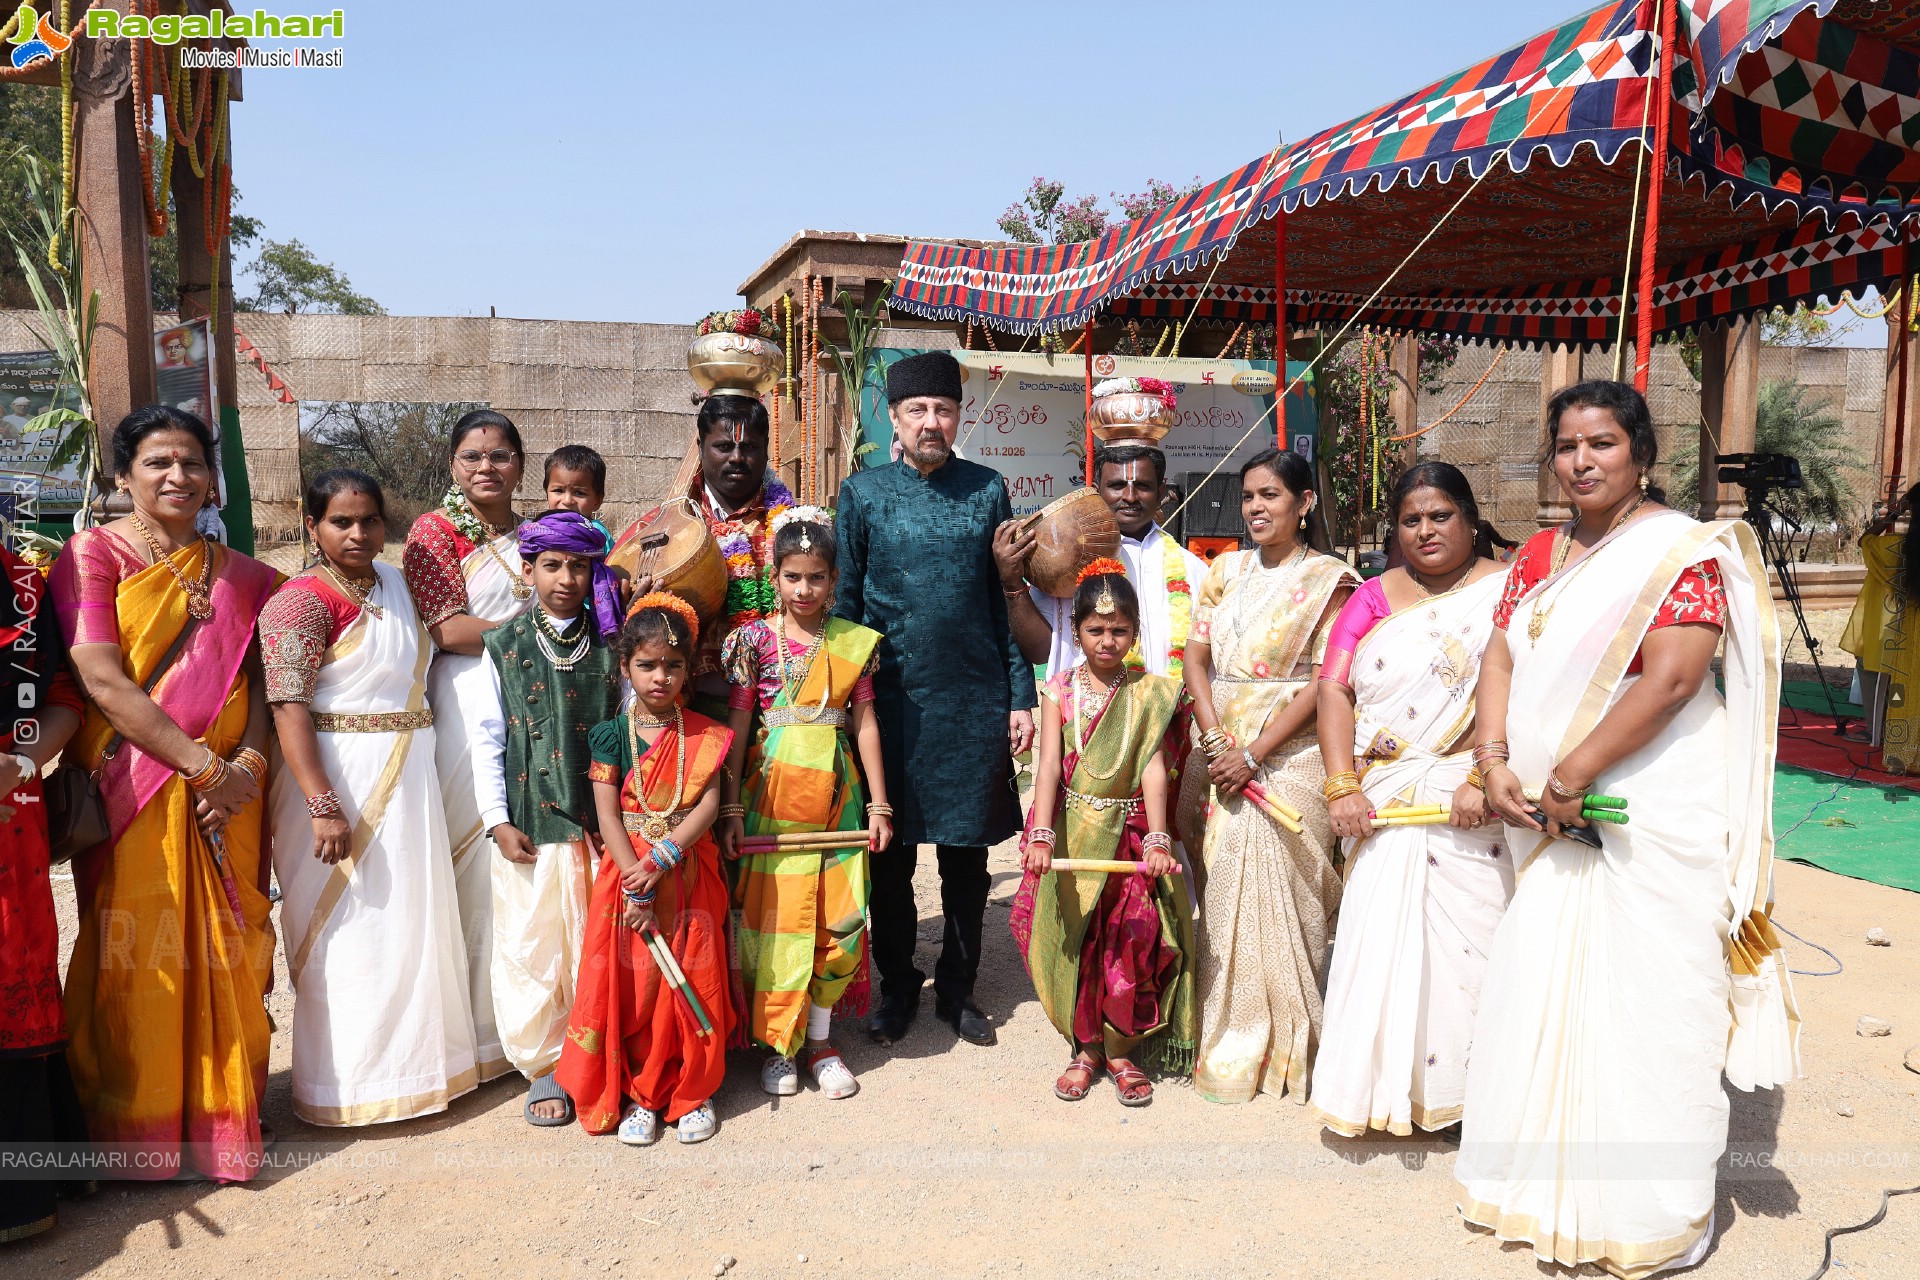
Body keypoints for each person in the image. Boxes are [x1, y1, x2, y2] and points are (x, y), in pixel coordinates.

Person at [1457, 380, 1797, 1277]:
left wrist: (1571, 772)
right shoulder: (1537, 554)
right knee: (1544, 984)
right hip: (1542, 807)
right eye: (1567, 445)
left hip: (1644, 805)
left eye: (1602, 443)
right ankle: (1541, 1190)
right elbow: (1500, 652)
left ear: (1640, 455)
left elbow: (1674, 679)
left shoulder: (1678, 551)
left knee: (1648, 1001)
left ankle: (1645, 1211)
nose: (1581, 461)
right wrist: (1494, 762)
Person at [50, 404, 279, 1180]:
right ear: (124, 476)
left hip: (230, 799)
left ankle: (224, 1122)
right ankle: (132, 1129)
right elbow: (101, 677)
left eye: (191, 463)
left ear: (211, 476)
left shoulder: (244, 573)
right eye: (157, 463)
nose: (177, 476)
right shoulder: (92, 555)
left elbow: (260, 682)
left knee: (234, 948)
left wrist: (244, 767)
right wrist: (200, 764)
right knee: (135, 954)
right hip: (135, 783)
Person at [259, 469, 478, 1127]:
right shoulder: (299, 601)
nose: (358, 534)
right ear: (313, 528)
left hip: (407, 775)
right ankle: (343, 1087)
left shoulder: (397, 584)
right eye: (341, 522)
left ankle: (416, 1071)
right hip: (334, 780)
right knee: (346, 929)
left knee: (410, 920)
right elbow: (287, 706)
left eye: (370, 521)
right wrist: (323, 804)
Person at [834, 350, 1038, 1048]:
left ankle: (959, 988)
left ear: (959, 416)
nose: (931, 421)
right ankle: (896, 987)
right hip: (886, 705)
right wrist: (843, 702)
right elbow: (846, 602)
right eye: (917, 410)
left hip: (972, 700)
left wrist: (1019, 695)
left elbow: (1001, 596)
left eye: (943, 409)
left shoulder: (987, 490)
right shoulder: (861, 494)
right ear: (893, 418)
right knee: (889, 855)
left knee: (966, 856)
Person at [1308, 462, 1513, 1139]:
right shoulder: (1370, 596)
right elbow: (1334, 690)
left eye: (1440, 515)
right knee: (1380, 938)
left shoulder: (1512, 589)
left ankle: (1469, 1094)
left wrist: (1483, 777)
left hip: (1470, 791)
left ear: (1470, 516)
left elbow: (1524, 686)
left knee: (1475, 944)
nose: (1425, 530)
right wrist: (1341, 785)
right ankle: (1383, 1091)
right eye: (1410, 520)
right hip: (1388, 792)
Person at [1182, 448, 1356, 1105]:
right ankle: (1228, 1040)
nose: (1255, 507)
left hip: (1292, 759)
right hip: (1221, 753)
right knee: (1224, 894)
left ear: (1304, 503)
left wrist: (1254, 752)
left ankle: (1290, 1047)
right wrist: (1216, 739)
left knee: (1291, 896)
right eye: (1249, 495)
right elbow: (1196, 661)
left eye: (1271, 496)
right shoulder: (1223, 569)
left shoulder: (1332, 581)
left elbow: (1325, 681)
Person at [716, 507, 890, 1100]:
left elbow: (865, 723)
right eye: (793, 577)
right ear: (775, 576)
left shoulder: (851, 643)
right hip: (770, 803)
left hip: (839, 801)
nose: (805, 589)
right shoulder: (752, 642)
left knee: (837, 921)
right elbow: (739, 727)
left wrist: (880, 807)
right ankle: (778, 1046)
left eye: (816, 577)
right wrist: (731, 808)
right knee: (776, 922)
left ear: (834, 580)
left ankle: (820, 1041)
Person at [1011, 560, 1193, 1107]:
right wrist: (1041, 833)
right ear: (1075, 631)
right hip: (1072, 835)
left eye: (1119, 630)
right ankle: (1085, 1048)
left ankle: (1120, 1049)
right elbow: (1047, 767)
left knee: (1131, 939)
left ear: (1136, 632)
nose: (1107, 640)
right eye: (1096, 629)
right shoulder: (1059, 689)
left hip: (1131, 838)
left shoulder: (1151, 694)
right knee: (1079, 941)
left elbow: (1154, 768)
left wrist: (1159, 839)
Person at [555, 595, 734, 1146]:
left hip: (686, 870)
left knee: (692, 976)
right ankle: (639, 1094)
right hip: (627, 879)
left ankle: (690, 1091)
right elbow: (606, 813)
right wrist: (636, 876)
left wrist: (665, 856)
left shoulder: (705, 732)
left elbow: (707, 805)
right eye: (648, 665)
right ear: (625, 665)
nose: (661, 677)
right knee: (636, 985)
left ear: (690, 667)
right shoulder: (612, 736)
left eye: (674, 666)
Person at [471, 509, 623, 1126]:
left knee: (597, 944)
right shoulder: (503, 646)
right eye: (553, 565)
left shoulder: (615, 646)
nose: (566, 578)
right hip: (532, 822)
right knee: (535, 947)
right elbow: (486, 738)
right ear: (527, 569)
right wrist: (495, 819)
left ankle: (600, 1057)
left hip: (603, 823)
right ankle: (544, 1066)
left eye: (579, 566)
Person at [403, 409, 534, 1082]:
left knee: (523, 861)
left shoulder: (535, 534)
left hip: (530, 700)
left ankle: (523, 1020)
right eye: (473, 457)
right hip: (463, 701)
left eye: (501, 455)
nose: (488, 467)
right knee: (471, 856)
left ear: (520, 463)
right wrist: (539, 634)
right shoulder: (434, 531)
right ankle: (474, 1036)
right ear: (453, 465)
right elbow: (447, 630)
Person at [2, 541, 87, 1240]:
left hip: (9, 812)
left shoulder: (24, 583)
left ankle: (25, 1193)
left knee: (15, 970)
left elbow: (60, 700)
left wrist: (19, 762)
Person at [615, 395, 794, 719]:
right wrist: (633, 610)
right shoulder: (661, 528)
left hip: (779, 708)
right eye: (724, 446)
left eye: (749, 447)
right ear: (700, 446)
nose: (737, 458)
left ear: (766, 447)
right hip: (686, 711)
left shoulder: (794, 527)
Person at [999, 442, 1208, 682]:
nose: (1130, 497)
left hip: (1168, 713)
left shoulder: (1192, 568)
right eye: (1117, 485)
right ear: (1096, 492)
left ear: (1161, 492)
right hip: (1087, 712)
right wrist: (1012, 583)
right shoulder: (1066, 562)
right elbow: (1040, 651)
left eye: (1143, 486)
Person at [543, 443, 615, 551]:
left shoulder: (595, 533)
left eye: (579, 493)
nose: (567, 501)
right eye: (558, 490)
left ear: (597, 501)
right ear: (547, 494)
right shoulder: (541, 529)